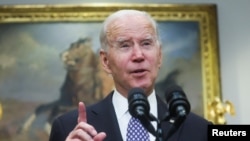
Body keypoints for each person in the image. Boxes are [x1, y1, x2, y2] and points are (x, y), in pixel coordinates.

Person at [49, 9, 212, 141]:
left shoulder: (201, 130)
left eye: (146, 43)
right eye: (125, 45)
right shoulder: (67, 128)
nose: (138, 55)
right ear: (105, 61)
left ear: (159, 56)